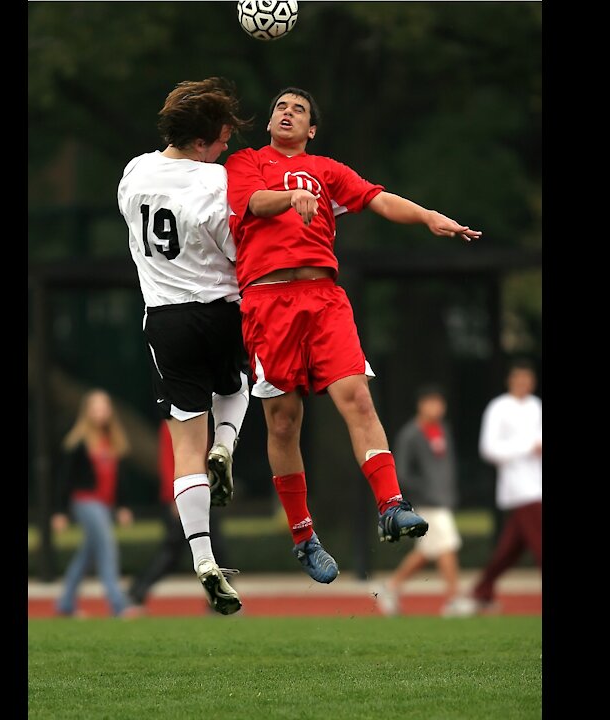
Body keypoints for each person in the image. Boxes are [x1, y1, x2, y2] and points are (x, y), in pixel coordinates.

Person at [223, 87, 483, 583]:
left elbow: (378, 199)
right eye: (281, 106)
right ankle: (304, 537)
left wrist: (428, 216)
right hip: (267, 301)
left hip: (323, 299)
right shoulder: (248, 161)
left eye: (299, 109)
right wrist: (290, 197)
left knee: (357, 399)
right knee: (282, 423)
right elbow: (253, 202)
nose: (287, 113)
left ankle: (391, 504)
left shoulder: (326, 170)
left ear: (312, 130)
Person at [117, 77, 254, 614]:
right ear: (204, 141)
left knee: (183, 450)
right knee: (238, 385)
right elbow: (235, 253)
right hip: (219, 311)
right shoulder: (216, 184)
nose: (226, 148)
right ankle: (228, 443)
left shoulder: (134, 172)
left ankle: (203, 558)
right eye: (223, 139)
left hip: (165, 321)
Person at [377, 385, 470, 617]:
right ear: (421, 404)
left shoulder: (443, 430)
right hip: (426, 502)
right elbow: (403, 472)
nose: (437, 408)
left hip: (442, 499)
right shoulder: (411, 434)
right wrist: (425, 492)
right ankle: (453, 598)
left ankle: (390, 588)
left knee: (428, 551)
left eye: (440, 403)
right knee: (448, 545)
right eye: (432, 402)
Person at [51, 389, 139, 618]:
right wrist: (59, 512)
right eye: (96, 408)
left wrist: (122, 506)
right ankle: (119, 605)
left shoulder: (113, 441)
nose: (100, 413)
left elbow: (119, 480)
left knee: (86, 555)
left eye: (104, 408)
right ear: (87, 412)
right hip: (86, 502)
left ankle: (65, 604)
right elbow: (65, 480)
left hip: (105, 504)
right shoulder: (78, 443)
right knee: (107, 548)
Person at [127, 420, 232, 611]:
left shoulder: (201, 421)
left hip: (201, 496)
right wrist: (174, 497)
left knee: (215, 549)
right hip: (182, 498)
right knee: (173, 552)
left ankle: (219, 600)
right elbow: (168, 461)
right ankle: (137, 592)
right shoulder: (171, 424)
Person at [466, 359, 543, 613]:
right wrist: (527, 447)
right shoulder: (498, 408)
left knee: (509, 550)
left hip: (537, 485)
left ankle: (481, 591)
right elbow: (488, 449)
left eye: (527, 379)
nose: (523, 384)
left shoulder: (536, 406)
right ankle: (480, 591)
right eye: (518, 379)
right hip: (518, 489)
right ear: (511, 381)